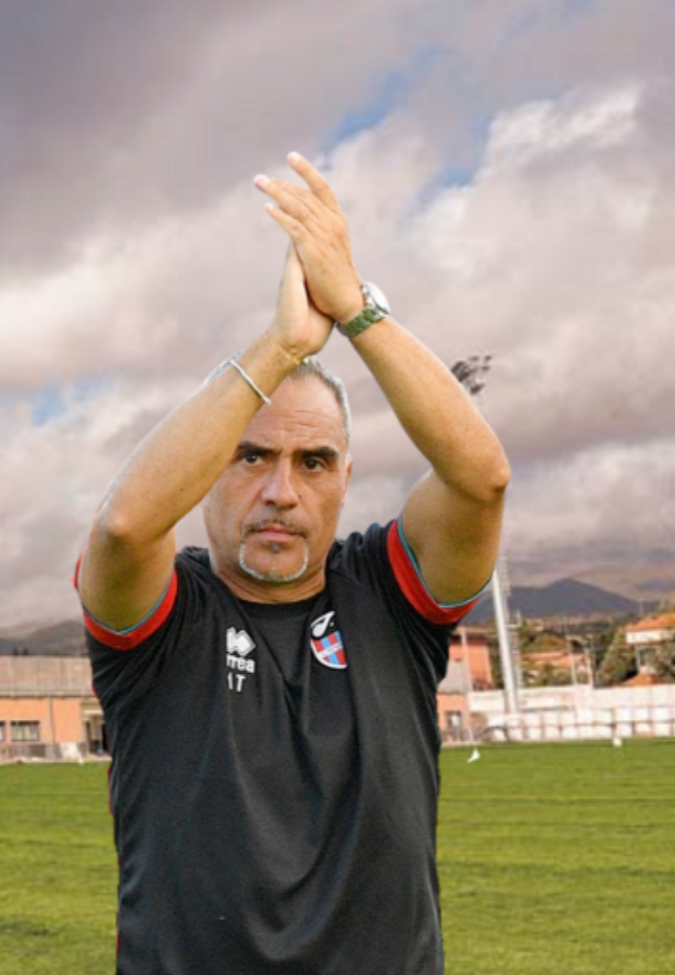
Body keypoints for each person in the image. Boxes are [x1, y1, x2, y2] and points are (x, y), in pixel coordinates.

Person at [76, 152, 509, 974]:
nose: (280, 490)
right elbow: (126, 528)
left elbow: (480, 480)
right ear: (208, 470)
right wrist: (279, 348)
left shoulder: (387, 595)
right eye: (248, 457)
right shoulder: (167, 614)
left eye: (313, 462)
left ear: (345, 478)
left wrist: (357, 311)